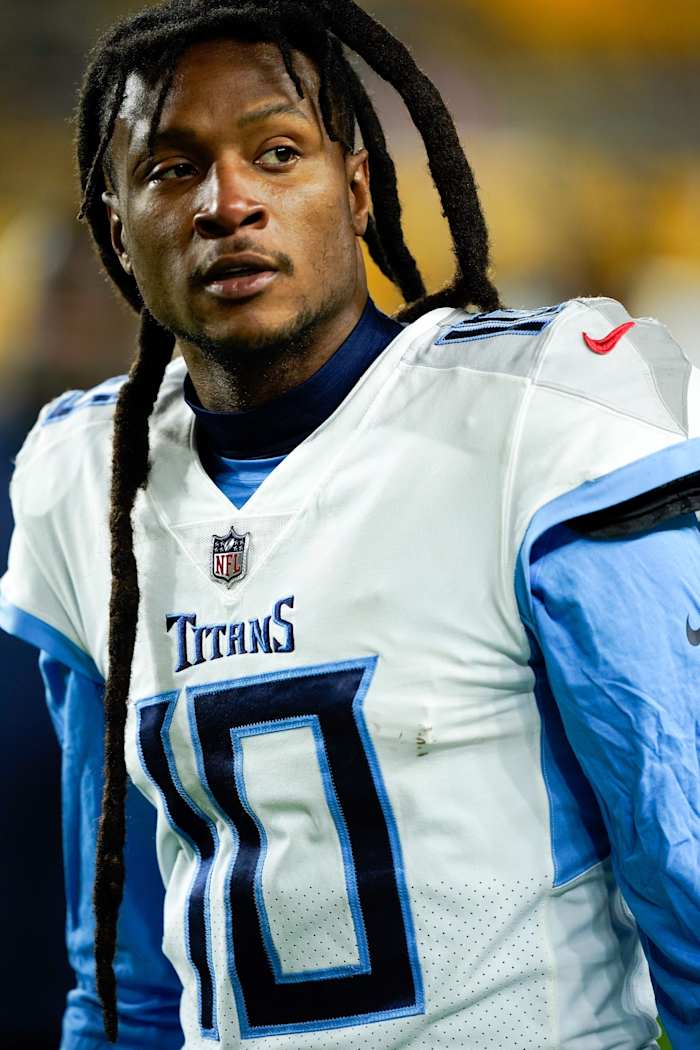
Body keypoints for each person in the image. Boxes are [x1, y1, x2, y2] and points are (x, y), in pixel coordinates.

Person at [1, 1, 698, 1048]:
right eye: (171, 169)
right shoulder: (83, 479)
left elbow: (682, 865)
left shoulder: (540, 419)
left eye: (277, 153)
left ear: (358, 186)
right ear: (115, 226)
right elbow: (122, 971)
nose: (227, 203)